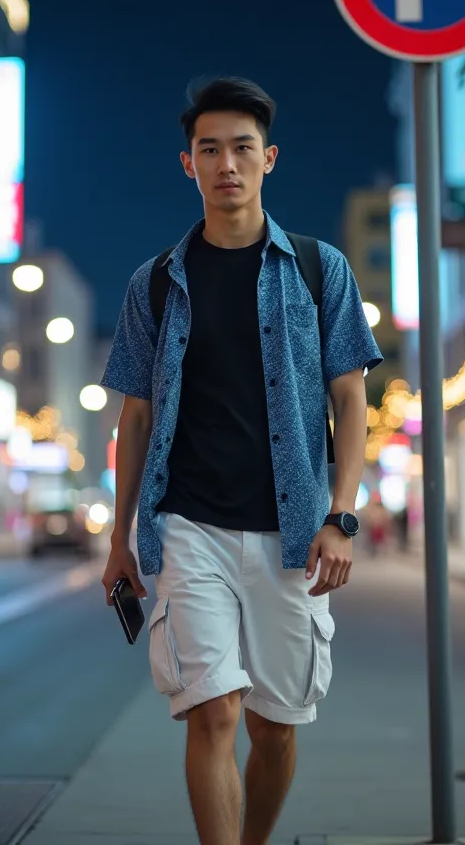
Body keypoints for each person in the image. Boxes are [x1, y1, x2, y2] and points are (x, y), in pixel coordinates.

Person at [101, 77, 382, 845]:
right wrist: (121, 537)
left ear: (270, 159)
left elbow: (351, 400)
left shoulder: (320, 271)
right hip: (189, 525)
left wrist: (341, 516)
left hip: (292, 534)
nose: (227, 163)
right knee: (213, 709)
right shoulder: (154, 284)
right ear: (188, 164)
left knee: (275, 728)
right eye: (210, 149)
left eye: (242, 148)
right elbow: (136, 411)